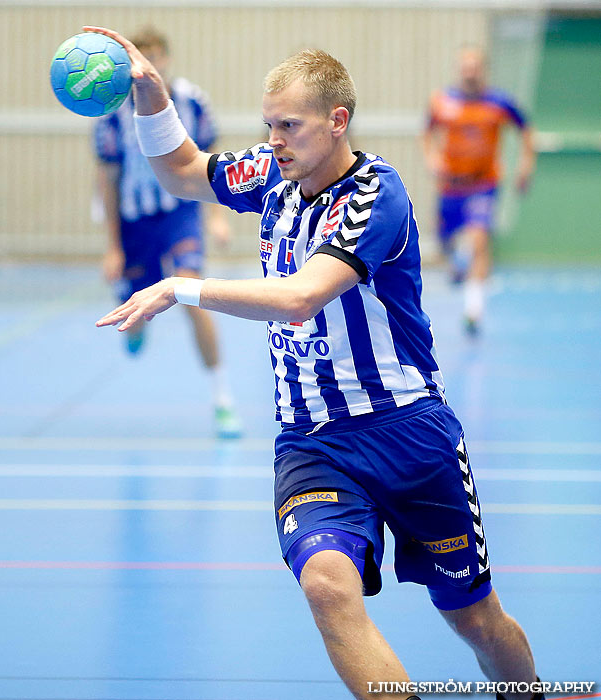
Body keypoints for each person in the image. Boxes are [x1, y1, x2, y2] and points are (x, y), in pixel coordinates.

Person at [90, 26, 542, 700]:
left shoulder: (375, 195)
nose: (274, 139)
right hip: (312, 442)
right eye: (269, 124)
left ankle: (528, 691)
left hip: (408, 431)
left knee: (473, 617)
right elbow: (180, 171)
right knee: (328, 586)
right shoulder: (274, 171)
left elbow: (300, 295)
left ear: (338, 122)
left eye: (289, 126)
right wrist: (151, 99)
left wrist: (181, 287)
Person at [93, 27, 241, 439]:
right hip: (135, 221)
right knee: (134, 315)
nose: (152, 62)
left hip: (180, 214)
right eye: (144, 55)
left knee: (194, 295)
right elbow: (107, 178)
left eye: (158, 55)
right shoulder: (110, 112)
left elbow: (212, 161)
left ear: (167, 59)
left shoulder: (192, 101)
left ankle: (223, 399)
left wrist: (217, 216)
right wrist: (112, 247)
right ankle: (138, 326)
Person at [422, 45, 535, 335]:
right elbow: (428, 130)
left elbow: (525, 128)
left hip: (483, 184)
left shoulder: (499, 102)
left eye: (475, 68)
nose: (470, 73)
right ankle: (457, 264)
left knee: (479, 239)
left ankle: (474, 309)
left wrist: (525, 164)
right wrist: (431, 157)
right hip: (451, 185)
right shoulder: (443, 101)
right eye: (465, 68)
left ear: (483, 70)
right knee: (444, 241)